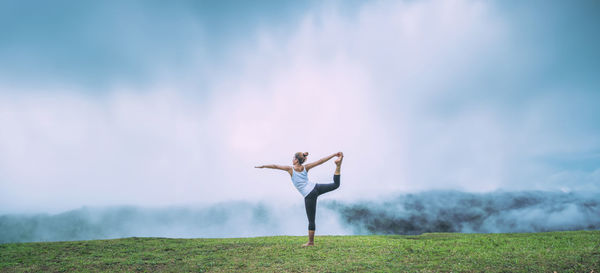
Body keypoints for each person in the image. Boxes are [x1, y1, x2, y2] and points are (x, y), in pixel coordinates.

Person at [255, 151, 343, 246]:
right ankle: (338, 166)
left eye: (293, 158)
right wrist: (333, 155)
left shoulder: (290, 169)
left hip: (309, 194)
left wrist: (263, 166)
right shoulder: (305, 167)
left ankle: (310, 242)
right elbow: (320, 161)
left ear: (297, 160)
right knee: (335, 185)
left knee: (311, 220)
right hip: (316, 187)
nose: (292, 160)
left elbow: (275, 166)